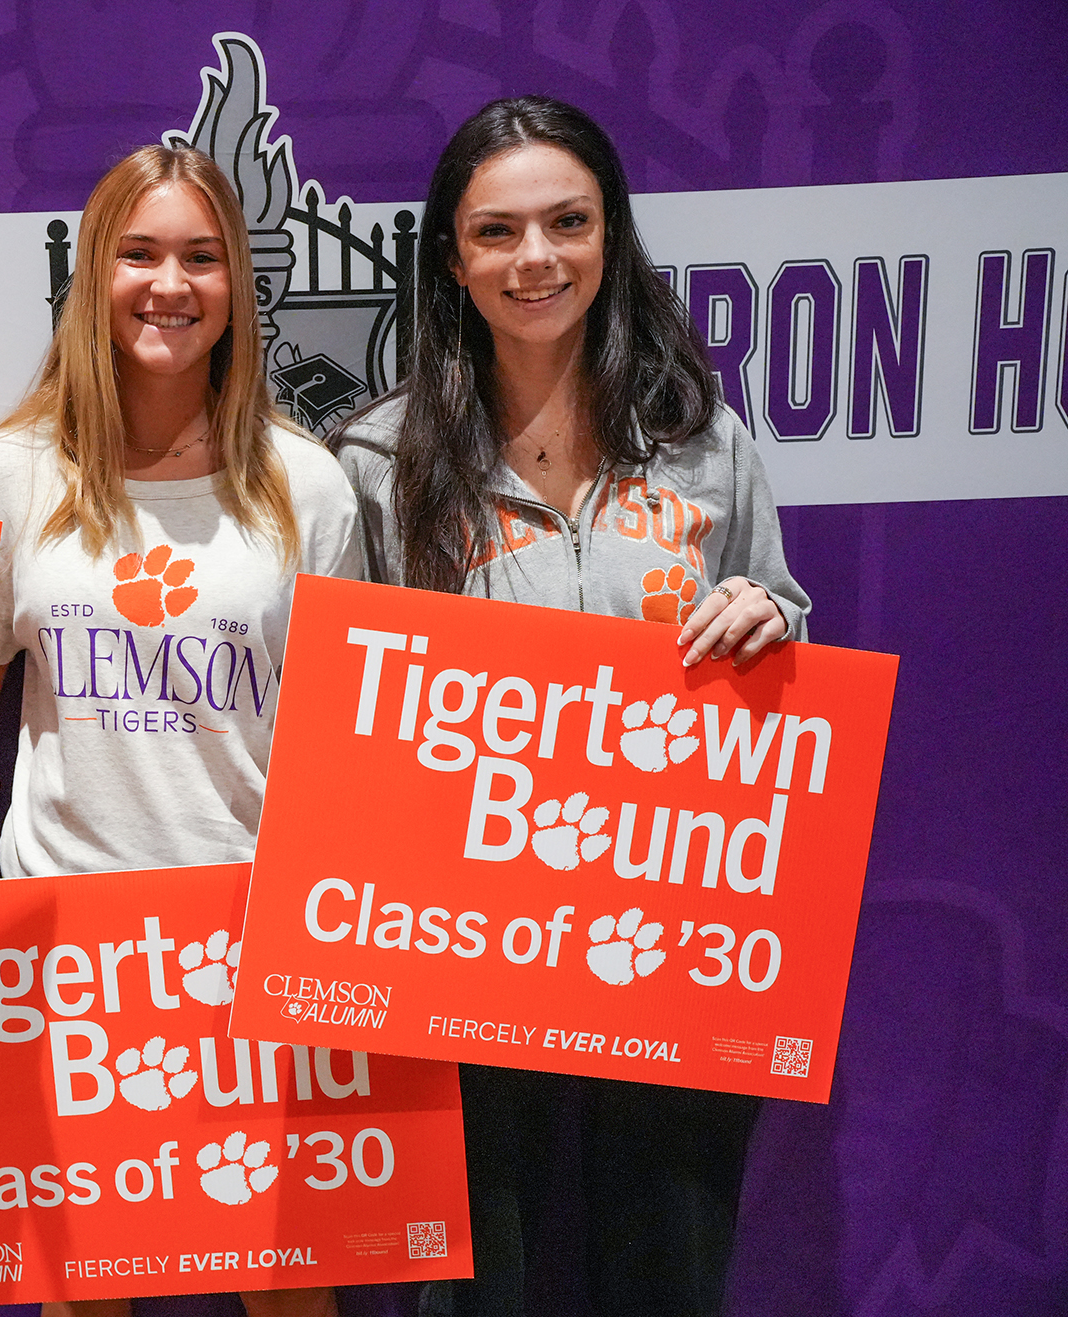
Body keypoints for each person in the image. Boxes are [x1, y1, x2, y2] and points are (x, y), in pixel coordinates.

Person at [332, 96, 811, 1316]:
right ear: (450, 256)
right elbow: (343, 705)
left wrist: (768, 617)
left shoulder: (703, 443)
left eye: (566, 223)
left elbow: (786, 638)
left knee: (665, 1269)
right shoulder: (380, 463)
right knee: (472, 1288)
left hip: (670, 939)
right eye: (496, 232)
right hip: (464, 950)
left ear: (611, 236)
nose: (533, 259)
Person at [0, 144, 363, 1317]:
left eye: (200, 257)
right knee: (84, 1292)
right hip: (67, 946)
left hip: (250, 941)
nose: (167, 284)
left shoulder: (307, 487)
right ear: (92, 276)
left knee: (286, 1286)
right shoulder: (11, 475)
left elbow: (341, 745)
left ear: (239, 285)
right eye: (137, 255)